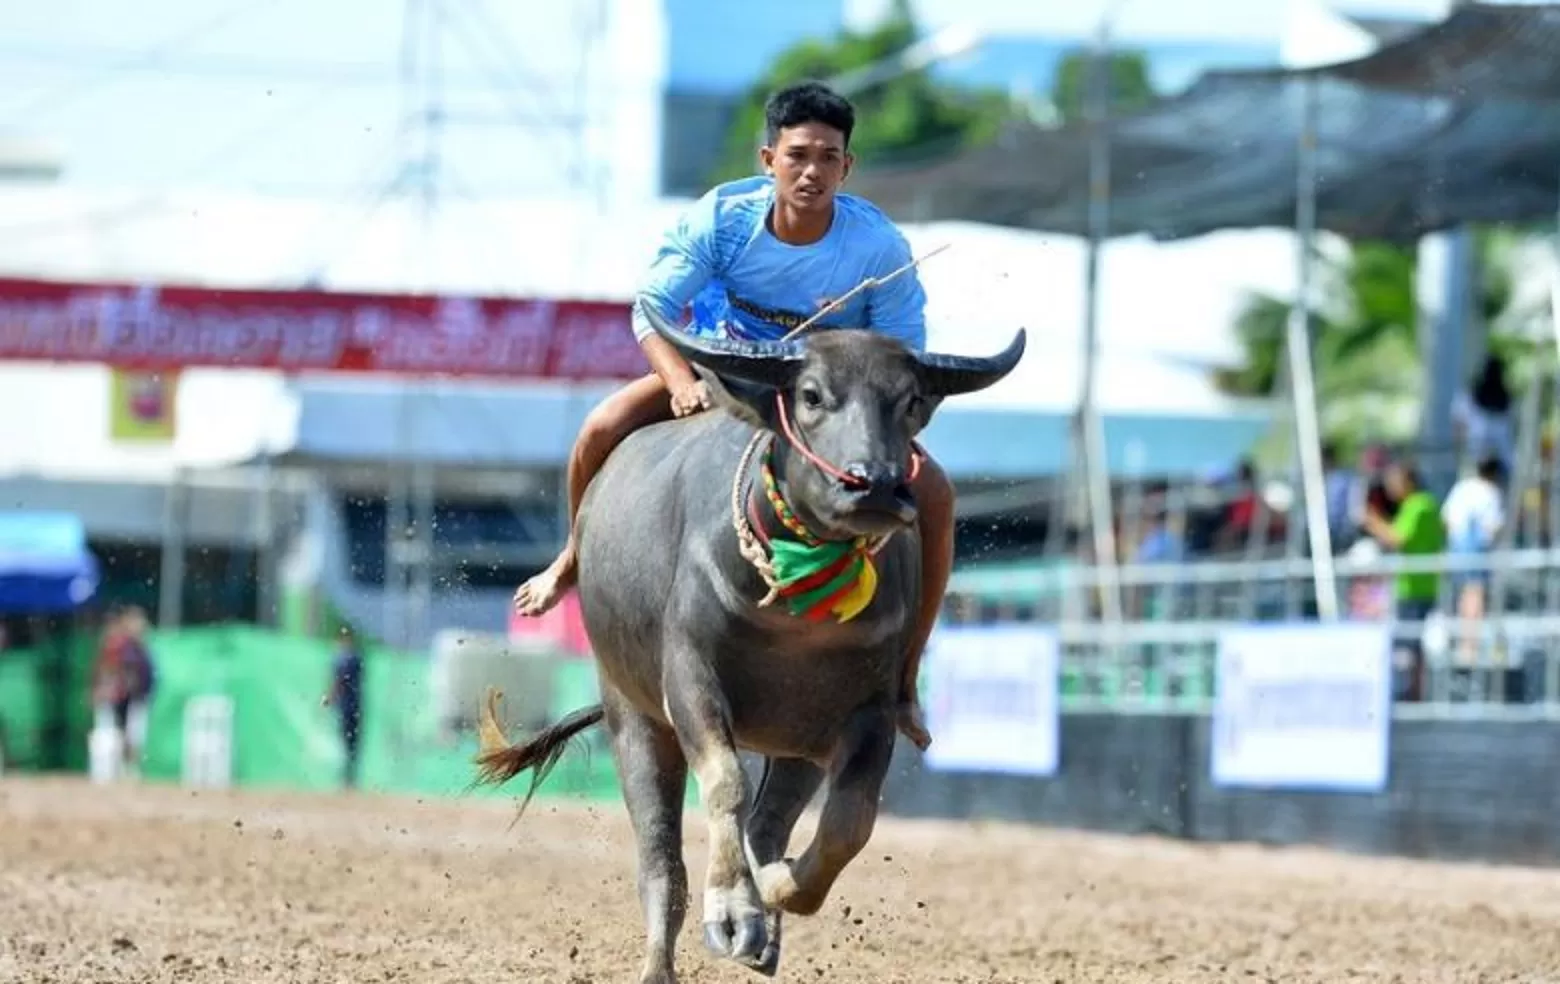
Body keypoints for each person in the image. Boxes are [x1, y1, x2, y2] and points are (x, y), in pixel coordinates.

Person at [511, 80, 952, 750]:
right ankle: (573, 553)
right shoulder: (722, 220)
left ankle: (904, 677)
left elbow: (903, 359)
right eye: (798, 154)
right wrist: (682, 381)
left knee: (937, 493)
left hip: (827, 405)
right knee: (601, 427)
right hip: (723, 380)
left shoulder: (877, 247)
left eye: (828, 158)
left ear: (847, 167)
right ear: (768, 158)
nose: (812, 171)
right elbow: (652, 311)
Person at [321, 625, 365, 789]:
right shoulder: (358, 657)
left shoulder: (345, 659)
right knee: (351, 742)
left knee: (349, 741)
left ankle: (348, 779)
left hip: (348, 707)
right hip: (354, 706)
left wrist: (329, 698)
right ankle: (349, 778)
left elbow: (339, 681)